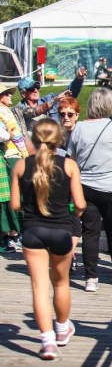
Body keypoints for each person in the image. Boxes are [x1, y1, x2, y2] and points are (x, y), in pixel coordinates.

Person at [10, 118, 86, 360]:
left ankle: (47, 342)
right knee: (61, 283)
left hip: (33, 231)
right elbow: (81, 204)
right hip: (62, 230)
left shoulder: (22, 166)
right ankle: (62, 329)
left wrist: (31, 210)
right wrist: (74, 214)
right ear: (59, 140)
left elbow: (14, 205)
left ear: (33, 139)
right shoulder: (70, 165)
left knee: (39, 288)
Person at [67, 88, 112, 292]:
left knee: (90, 232)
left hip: (86, 186)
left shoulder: (79, 129)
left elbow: (71, 159)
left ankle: (90, 278)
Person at [0, 83, 29, 252]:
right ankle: (14, 234)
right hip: (12, 156)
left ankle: (13, 234)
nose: (11, 96)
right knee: (15, 196)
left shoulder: (5, 110)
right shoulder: (3, 111)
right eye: (6, 94)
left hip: (9, 156)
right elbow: (15, 135)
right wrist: (25, 154)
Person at [15, 68, 86, 132]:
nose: (36, 90)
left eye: (37, 87)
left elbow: (68, 94)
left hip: (56, 141)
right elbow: (33, 111)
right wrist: (53, 101)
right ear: (23, 94)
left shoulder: (49, 98)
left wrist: (79, 79)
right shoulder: (19, 109)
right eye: (31, 89)